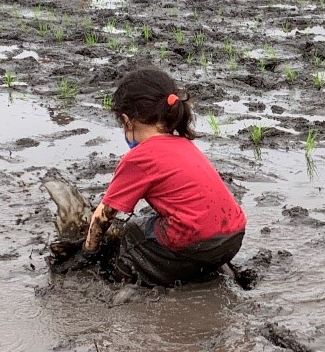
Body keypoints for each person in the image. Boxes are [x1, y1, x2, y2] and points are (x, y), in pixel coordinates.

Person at [71, 68, 247, 286]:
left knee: (132, 235)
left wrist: (87, 253)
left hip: (196, 241)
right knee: (166, 228)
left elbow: (104, 215)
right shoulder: (184, 144)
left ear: (127, 121)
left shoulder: (138, 158)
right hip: (233, 237)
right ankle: (208, 269)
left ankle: (129, 283)